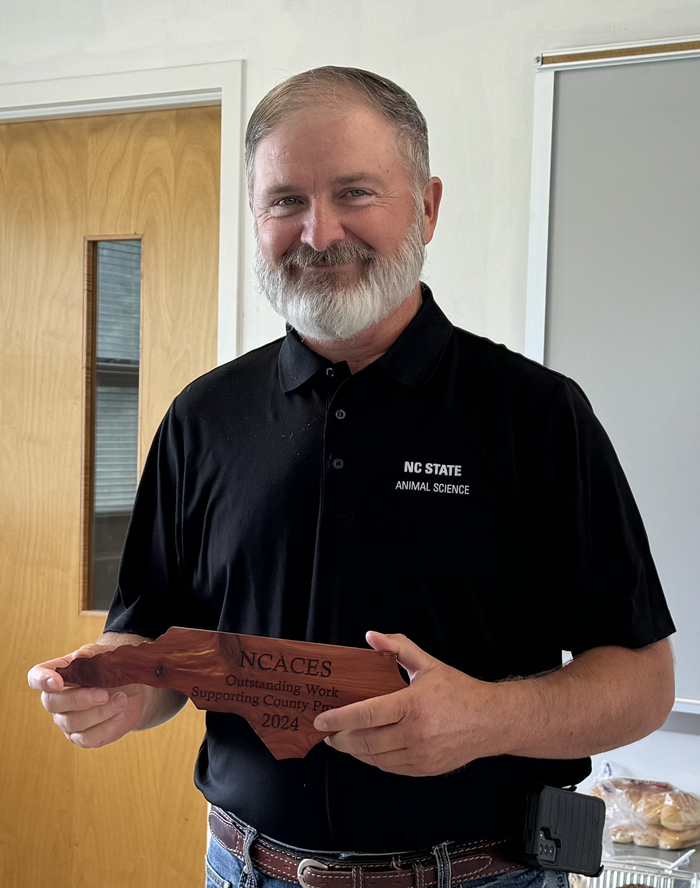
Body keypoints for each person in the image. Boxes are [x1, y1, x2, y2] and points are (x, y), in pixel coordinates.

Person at [29, 67, 675, 888]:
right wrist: (120, 690)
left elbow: (643, 685)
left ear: (428, 206)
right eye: (286, 200)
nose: (319, 231)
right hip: (242, 867)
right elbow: (158, 639)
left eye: (356, 192)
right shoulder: (203, 417)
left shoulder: (535, 415)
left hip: (477, 875)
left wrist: (486, 718)